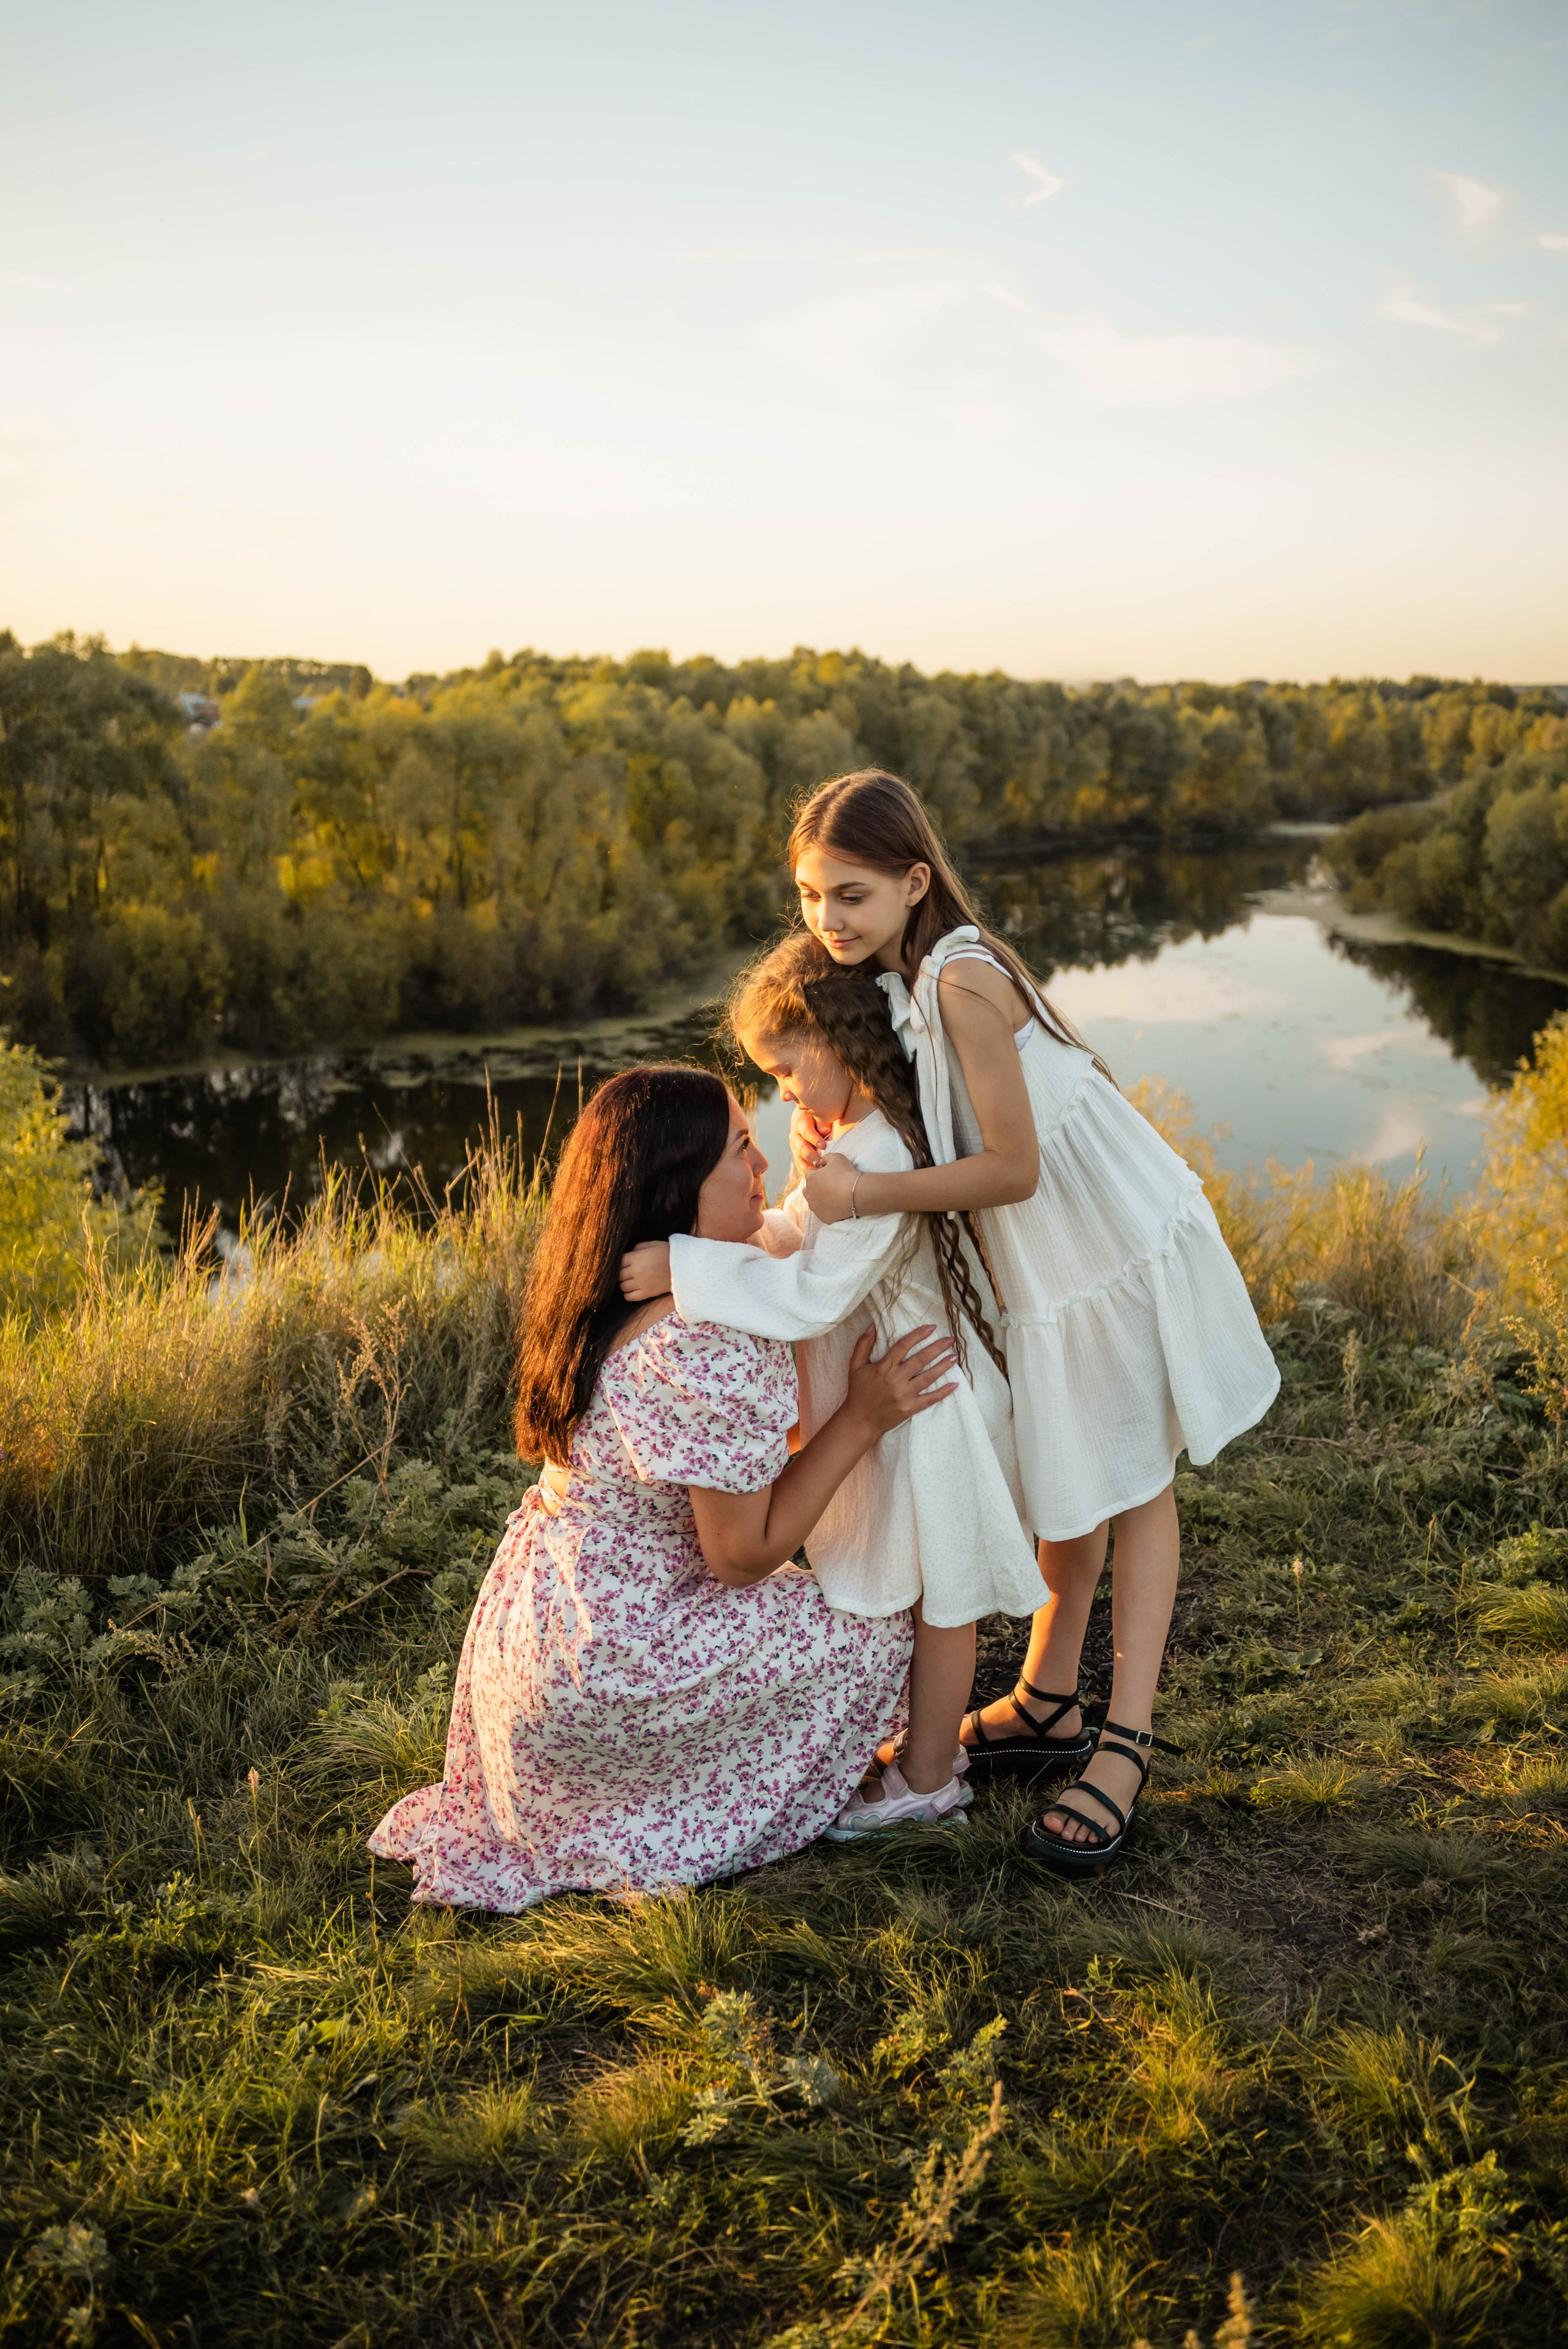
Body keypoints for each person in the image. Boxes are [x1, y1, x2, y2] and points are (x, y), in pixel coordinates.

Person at [787, 770, 1281, 1876]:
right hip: (1046, 1261)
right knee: (1078, 1460)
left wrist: (864, 1195)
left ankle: (1124, 1748)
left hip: (1106, 1244)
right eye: (814, 895)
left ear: (916, 882)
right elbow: (938, 1120)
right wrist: (833, 1141)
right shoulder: (901, 976)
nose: (829, 920)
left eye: (852, 895)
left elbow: (1012, 1168)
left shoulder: (962, 978)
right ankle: (1049, 1699)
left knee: (1134, 1482)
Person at [368, 1063, 955, 1910]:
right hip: (616, 1669)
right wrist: (863, 1418)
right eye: (741, 1150)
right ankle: (680, 1811)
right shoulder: (701, 1337)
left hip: (538, 1646)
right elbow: (742, 1557)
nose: (764, 1165)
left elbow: (748, 1454)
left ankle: (616, 1797)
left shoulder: (605, 1288)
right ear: (679, 1185)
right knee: (876, 1622)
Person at [619, 937, 1042, 1839]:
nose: (783, 1097)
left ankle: (928, 1777)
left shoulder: (880, 1151)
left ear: (839, 1045)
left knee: (942, 1594)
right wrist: (762, 1219)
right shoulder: (860, 1140)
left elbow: (813, 1292)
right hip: (899, 1388)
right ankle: (921, 1749)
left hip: (924, 1400)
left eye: (786, 1071)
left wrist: (685, 1265)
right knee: (919, 1584)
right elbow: (793, 1237)